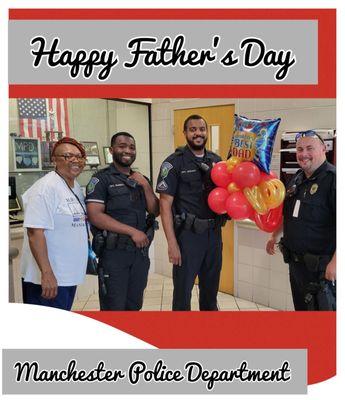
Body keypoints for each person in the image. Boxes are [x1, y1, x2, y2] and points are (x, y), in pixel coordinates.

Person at [156, 114, 224, 311]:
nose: (198, 133)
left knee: (211, 292)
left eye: (202, 129)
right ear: (185, 133)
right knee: (182, 294)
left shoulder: (216, 161)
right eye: (193, 129)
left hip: (213, 235)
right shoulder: (174, 163)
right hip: (187, 238)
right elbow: (165, 206)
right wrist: (172, 244)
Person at [85, 132, 159, 311]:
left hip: (139, 255)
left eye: (131, 147)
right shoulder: (100, 179)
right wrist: (132, 232)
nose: (127, 150)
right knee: (114, 307)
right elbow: (95, 215)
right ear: (111, 150)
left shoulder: (141, 179)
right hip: (114, 255)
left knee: (134, 305)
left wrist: (146, 186)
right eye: (122, 146)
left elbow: (155, 211)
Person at [266, 130, 336, 311]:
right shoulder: (297, 178)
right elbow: (289, 214)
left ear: (323, 149)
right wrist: (274, 236)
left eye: (309, 148)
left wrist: (336, 263)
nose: (303, 154)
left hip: (322, 269)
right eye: (299, 149)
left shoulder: (333, 180)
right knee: (302, 312)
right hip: (297, 266)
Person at [20, 137, 88, 311]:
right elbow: (35, 233)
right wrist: (47, 274)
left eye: (79, 156)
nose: (75, 160)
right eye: (67, 156)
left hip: (67, 275)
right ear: (54, 160)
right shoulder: (45, 188)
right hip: (47, 279)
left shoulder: (75, 186)